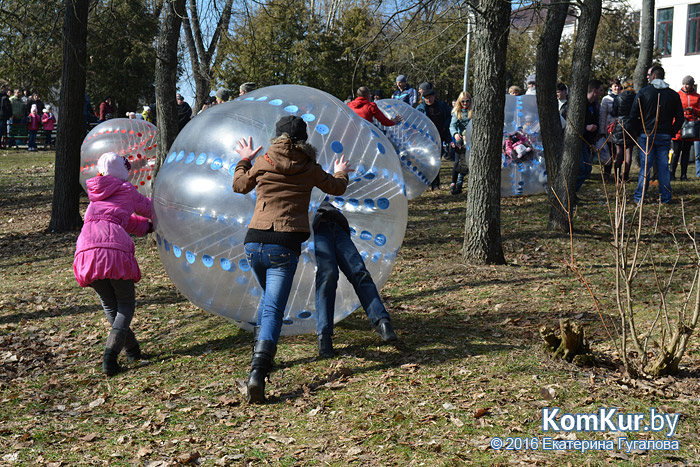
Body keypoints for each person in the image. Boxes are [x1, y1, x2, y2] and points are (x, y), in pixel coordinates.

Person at [232, 116, 352, 404]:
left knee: (267, 301)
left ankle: (260, 356)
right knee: (273, 306)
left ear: (276, 137)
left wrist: (244, 160)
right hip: (283, 245)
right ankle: (258, 372)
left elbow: (239, 185)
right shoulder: (309, 167)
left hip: (254, 242)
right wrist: (341, 172)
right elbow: (336, 188)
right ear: (304, 139)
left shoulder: (262, 161)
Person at [73, 152, 154, 375]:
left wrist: (146, 228)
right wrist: (166, 213)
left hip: (86, 249)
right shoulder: (126, 190)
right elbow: (148, 209)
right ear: (123, 172)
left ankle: (133, 350)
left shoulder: (95, 195)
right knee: (126, 304)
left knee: (111, 306)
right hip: (113, 250)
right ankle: (109, 359)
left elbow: (120, 219)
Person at [312, 200, 397, 358]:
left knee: (358, 271)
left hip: (334, 222)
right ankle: (324, 337)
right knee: (328, 274)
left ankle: (382, 321)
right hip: (314, 228)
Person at [629, 65, 684, 205]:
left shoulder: (644, 93)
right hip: (664, 134)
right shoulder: (673, 95)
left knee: (645, 167)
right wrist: (672, 131)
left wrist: (637, 132)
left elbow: (633, 115)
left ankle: (640, 197)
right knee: (663, 167)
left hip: (646, 134)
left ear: (653, 76)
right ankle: (665, 197)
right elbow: (680, 117)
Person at [417, 86, 451, 190]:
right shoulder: (420, 108)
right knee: (426, 161)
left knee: (436, 161)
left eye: (430, 97)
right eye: (426, 98)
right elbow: (416, 121)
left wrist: (445, 126)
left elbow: (450, 116)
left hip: (439, 137)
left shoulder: (442, 106)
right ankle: (426, 182)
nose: (428, 100)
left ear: (434, 97)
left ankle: (435, 184)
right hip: (426, 139)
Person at [670, 76, 700, 181]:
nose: (686, 86)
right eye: (685, 84)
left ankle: (684, 174)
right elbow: (672, 110)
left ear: (692, 85)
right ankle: (672, 173)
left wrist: (694, 110)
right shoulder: (677, 95)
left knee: (686, 152)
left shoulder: (697, 97)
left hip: (690, 127)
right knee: (676, 151)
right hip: (679, 126)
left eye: (688, 84)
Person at [575, 80, 601, 193]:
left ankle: (573, 192)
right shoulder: (580, 104)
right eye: (601, 90)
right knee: (581, 168)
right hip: (577, 140)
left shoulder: (594, 106)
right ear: (594, 91)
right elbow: (572, 122)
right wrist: (586, 127)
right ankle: (569, 193)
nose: (601, 93)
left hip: (586, 141)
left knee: (587, 169)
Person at [611, 79, 636, 182]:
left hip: (620, 124)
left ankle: (617, 176)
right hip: (631, 124)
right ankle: (625, 176)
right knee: (628, 151)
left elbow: (613, 112)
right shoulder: (636, 97)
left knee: (619, 152)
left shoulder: (618, 97)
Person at [449, 91, 472, 195]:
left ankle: (462, 183)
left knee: (468, 163)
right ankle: (455, 183)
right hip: (460, 140)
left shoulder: (473, 111)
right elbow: (452, 125)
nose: (465, 103)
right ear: (460, 101)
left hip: (471, 139)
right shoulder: (457, 112)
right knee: (459, 162)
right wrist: (455, 134)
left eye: (467, 101)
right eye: (463, 101)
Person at [600, 79, 621, 180]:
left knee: (618, 153)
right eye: (615, 86)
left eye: (618, 86)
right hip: (609, 128)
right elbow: (603, 115)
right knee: (608, 152)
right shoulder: (606, 99)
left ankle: (618, 174)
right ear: (611, 87)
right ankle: (607, 174)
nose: (617, 88)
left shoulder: (622, 97)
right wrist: (602, 130)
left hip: (620, 128)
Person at [0, 84, 11, 149]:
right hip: (2, 116)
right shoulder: (5, 98)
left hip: (2, 116)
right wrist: (9, 114)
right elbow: (7, 107)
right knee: (1, 131)